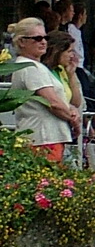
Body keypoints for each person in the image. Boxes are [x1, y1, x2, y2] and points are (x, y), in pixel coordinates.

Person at [6, 20, 81, 161]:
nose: (43, 42)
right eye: (37, 38)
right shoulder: (31, 68)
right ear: (22, 42)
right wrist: (74, 122)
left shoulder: (33, 66)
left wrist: (70, 108)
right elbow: (52, 102)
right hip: (43, 138)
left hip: (43, 137)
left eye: (45, 38)